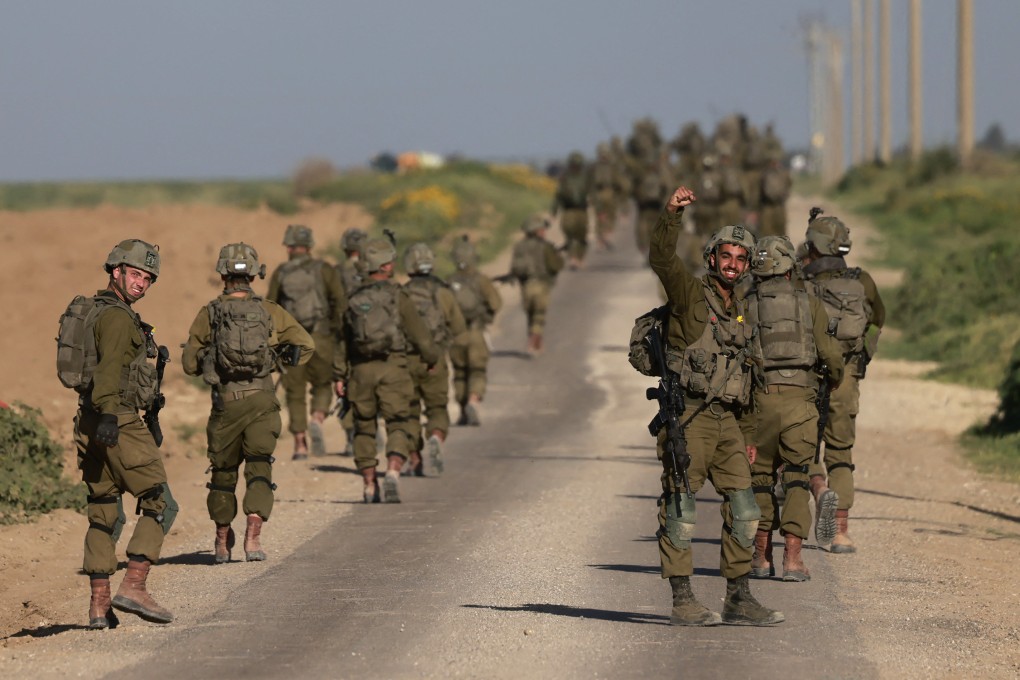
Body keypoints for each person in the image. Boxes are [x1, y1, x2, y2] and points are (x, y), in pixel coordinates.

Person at [650, 186, 783, 627]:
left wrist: (747, 437)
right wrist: (671, 214)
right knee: (681, 511)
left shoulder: (741, 312)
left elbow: (747, 379)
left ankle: (738, 597)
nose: (733, 265)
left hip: (728, 424)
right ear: (712, 259)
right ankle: (682, 599)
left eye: (741, 259)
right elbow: (663, 261)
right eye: (726, 256)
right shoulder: (690, 297)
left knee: (747, 511)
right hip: (689, 419)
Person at [62, 239, 176, 627]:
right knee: (160, 502)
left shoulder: (94, 311)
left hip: (88, 422)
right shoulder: (117, 318)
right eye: (135, 274)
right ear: (116, 272)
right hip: (117, 420)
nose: (141, 283)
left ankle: (99, 606)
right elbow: (110, 369)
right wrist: (112, 416)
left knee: (104, 511)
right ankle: (134, 585)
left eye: (147, 278)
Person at [182, 243, 314, 565]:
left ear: (223, 273)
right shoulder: (270, 311)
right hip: (262, 402)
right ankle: (252, 539)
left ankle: (220, 542)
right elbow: (305, 346)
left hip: (226, 404)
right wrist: (275, 360)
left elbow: (188, 364)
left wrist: (211, 361)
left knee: (223, 473)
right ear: (254, 273)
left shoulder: (210, 312)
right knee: (259, 469)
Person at [746, 236, 843, 582]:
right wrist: (833, 380)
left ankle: (760, 557)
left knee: (758, 479)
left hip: (759, 402)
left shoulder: (747, 303)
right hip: (800, 402)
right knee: (797, 477)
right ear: (789, 268)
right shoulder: (808, 302)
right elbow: (831, 356)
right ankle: (792, 560)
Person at [801, 215, 885, 552]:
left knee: (801, 444)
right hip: (847, 375)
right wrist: (862, 355)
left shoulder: (797, 279)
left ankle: (819, 488)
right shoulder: (862, 280)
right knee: (841, 450)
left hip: (807, 373)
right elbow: (877, 320)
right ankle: (840, 533)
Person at [340, 238, 440, 503]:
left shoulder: (352, 298)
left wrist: (339, 375)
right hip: (394, 368)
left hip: (361, 371)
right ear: (385, 265)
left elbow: (341, 340)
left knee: (363, 428)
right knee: (399, 421)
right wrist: (431, 358)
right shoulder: (398, 295)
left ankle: (369, 484)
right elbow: (419, 334)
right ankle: (393, 471)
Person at [266, 224, 347, 460]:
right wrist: (334, 332)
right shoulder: (325, 270)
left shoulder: (281, 272)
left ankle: (300, 444)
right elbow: (339, 302)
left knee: (295, 393)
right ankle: (318, 418)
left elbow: (271, 307)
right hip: (321, 338)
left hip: (292, 341)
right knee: (323, 385)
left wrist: (277, 340)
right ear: (310, 246)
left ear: (289, 247)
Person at [401, 242, 468, 476]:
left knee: (409, 410)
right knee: (436, 406)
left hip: (407, 360)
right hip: (436, 360)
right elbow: (458, 328)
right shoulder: (444, 293)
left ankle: (414, 458)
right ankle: (436, 436)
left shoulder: (402, 293)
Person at [448, 237, 503, 426]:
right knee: (477, 371)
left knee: (460, 373)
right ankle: (473, 400)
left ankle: (463, 410)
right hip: (476, 332)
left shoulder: (449, 282)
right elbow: (496, 303)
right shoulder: (481, 280)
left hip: (456, 336)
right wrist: (487, 316)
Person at [509, 213, 565, 354]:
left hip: (526, 286)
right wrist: (559, 257)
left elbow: (514, 268)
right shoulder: (545, 247)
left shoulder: (519, 247)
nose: (544, 232)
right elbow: (555, 266)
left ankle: (536, 342)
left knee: (530, 314)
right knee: (539, 315)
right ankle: (533, 342)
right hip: (542, 285)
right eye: (542, 229)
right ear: (536, 231)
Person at [335, 227, 367, 455]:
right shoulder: (371, 270)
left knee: (345, 386)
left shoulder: (336, 272)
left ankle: (349, 437)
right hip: (369, 335)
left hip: (343, 335)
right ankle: (373, 433)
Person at [552, 151, 592, 269]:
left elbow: (592, 193)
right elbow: (558, 196)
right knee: (570, 236)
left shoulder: (585, 177)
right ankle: (573, 258)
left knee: (581, 236)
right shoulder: (565, 178)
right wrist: (553, 212)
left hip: (581, 211)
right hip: (569, 211)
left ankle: (579, 257)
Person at [757, 154, 791, 238]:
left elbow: (788, 184)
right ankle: (764, 251)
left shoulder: (783, 174)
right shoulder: (763, 174)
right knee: (765, 234)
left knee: (781, 233)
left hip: (779, 206)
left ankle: (781, 250)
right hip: (767, 206)